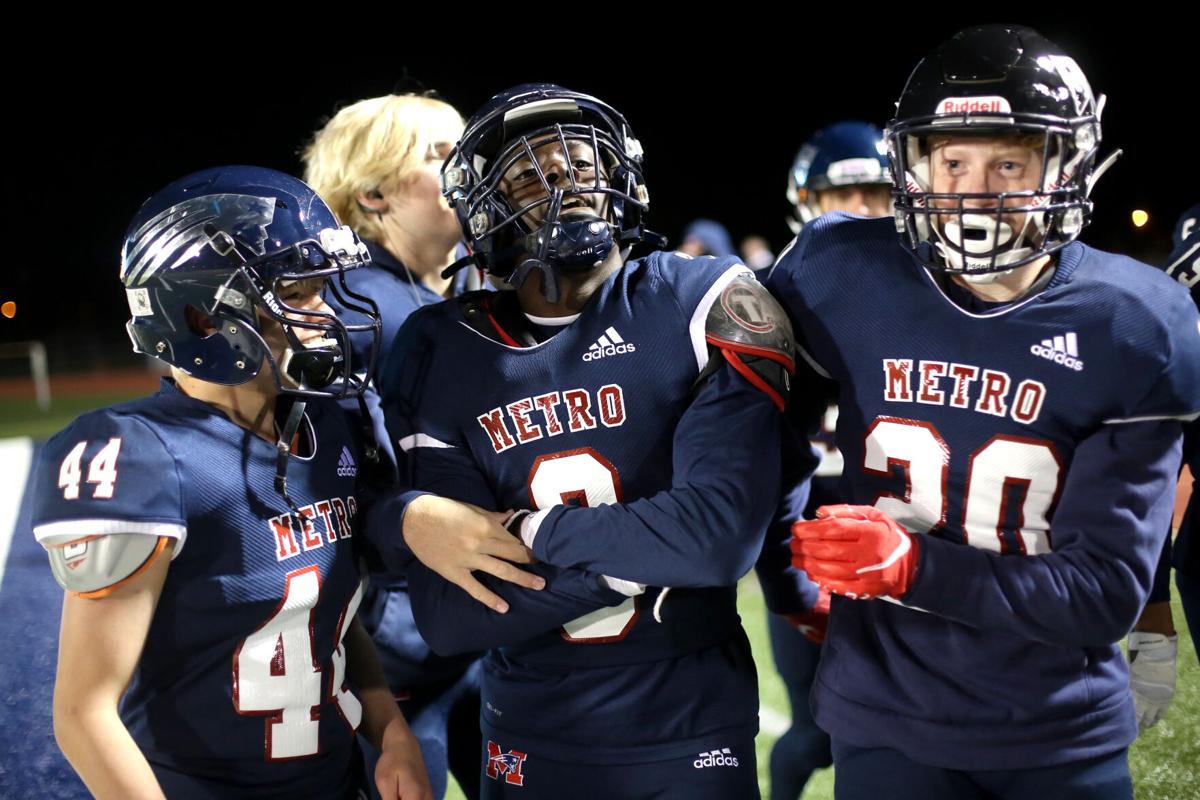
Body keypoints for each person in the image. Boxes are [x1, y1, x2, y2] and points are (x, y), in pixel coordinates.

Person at [773, 25, 1200, 800]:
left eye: (1008, 160)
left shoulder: (1131, 320)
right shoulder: (842, 270)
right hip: (886, 713)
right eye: (953, 160)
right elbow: (760, 443)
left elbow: (1105, 591)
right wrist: (788, 580)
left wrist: (911, 564)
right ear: (915, 165)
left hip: (1055, 726)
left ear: (1064, 163)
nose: (975, 190)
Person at [377, 84, 795, 799]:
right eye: (529, 171)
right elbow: (448, 616)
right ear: (481, 206)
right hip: (528, 734)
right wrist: (649, 554)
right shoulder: (442, 346)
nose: (564, 181)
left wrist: (534, 531)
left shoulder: (702, 299)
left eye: (580, 161)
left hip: (691, 727)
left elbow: (719, 541)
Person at [30, 166, 433, 799]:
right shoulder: (146, 457)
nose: (325, 312)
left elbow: (325, 613)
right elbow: (84, 713)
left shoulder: (327, 428)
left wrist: (392, 733)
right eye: (299, 292)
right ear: (202, 317)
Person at [303, 93, 490, 800]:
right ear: (373, 193)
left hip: (467, 621)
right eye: (439, 155)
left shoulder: (456, 289)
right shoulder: (356, 309)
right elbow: (324, 492)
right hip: (400, 640)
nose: (466, 165)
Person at [766, 120, 893, 800]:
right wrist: (787, 575)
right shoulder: (774, 298)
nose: (861, 212)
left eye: (878, 193)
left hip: (913, 551)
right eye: (840, 196)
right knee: (818, 732)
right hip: (811, 546)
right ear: (801, 202)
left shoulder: (936, 300)